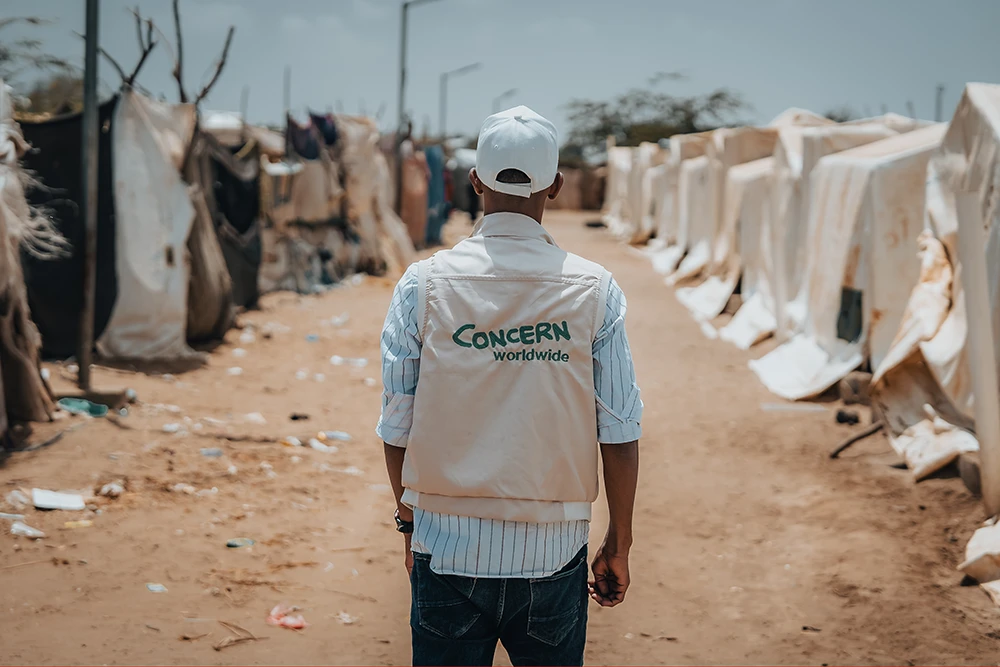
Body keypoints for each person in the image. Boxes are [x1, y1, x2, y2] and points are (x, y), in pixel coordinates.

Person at [378, 105, 642, 666]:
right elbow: (619, 429)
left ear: (474, 182)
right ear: (556, 185)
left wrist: (409, 526)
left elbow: (396, 424)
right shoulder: (596, 290)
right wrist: (618, 543)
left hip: (444, 551)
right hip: (552, 554)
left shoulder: (422, 285)